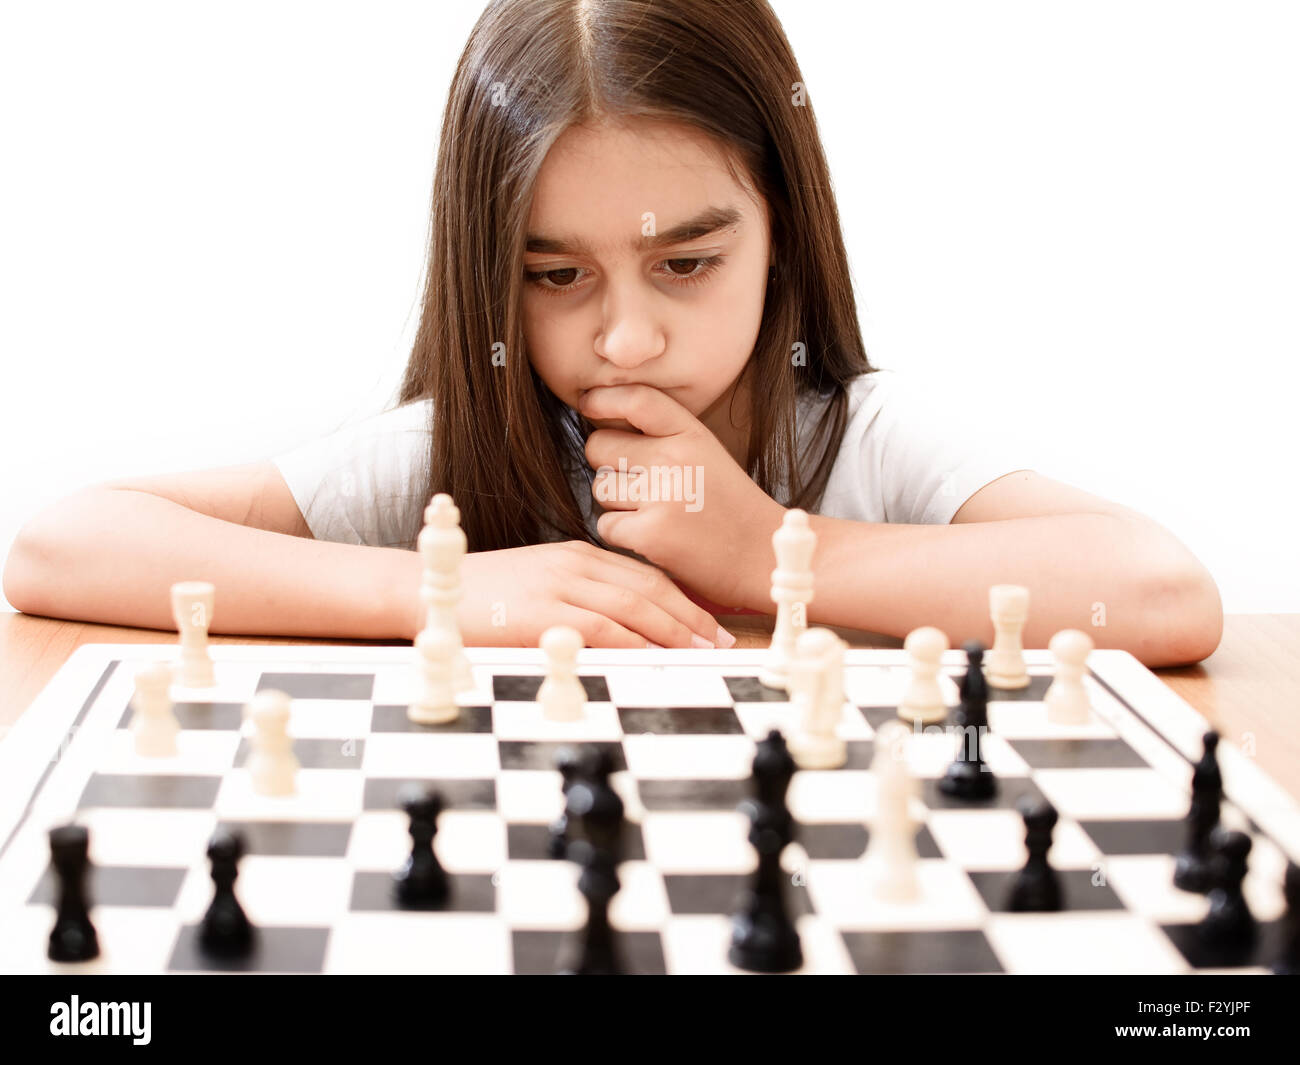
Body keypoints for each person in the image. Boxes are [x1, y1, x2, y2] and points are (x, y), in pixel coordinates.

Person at [2, 0, 1221, 667]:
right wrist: (438, 595)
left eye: (686, 262)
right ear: (487, 273)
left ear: (782, 232)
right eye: (553, 274)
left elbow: (1162, 595)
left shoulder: (859, 440)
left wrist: (773, 552)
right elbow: (58, 548)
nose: (626, 338)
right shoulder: (457, 458)